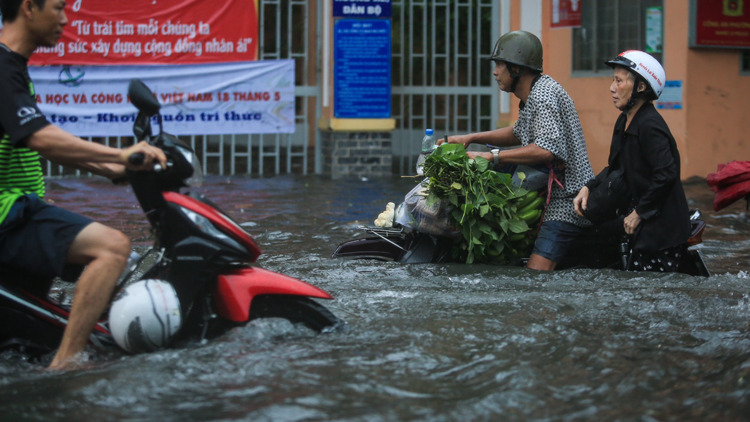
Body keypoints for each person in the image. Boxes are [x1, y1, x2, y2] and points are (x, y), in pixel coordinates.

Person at [0, 0, 167, 370]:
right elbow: (41, 138)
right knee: (113, 248)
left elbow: (34, 140)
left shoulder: (12, 67)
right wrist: (120, 154)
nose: (65, 18)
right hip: (7, 211)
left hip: (19, 207)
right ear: (29, 7)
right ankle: (67, 362)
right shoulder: (3, 66)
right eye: (58, 8)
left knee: (31, 327)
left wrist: (110, 168)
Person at [438, 30, 594, 271]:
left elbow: (545, 149)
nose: (495, 71)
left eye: (500, 64)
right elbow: (518, 132)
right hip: (546, 191)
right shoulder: (534, 95)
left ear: (517, 69)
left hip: (569, 199)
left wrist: (492, 156)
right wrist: (471, 138)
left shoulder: (543, 95)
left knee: (534, 274)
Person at [573, 50, 690, 272]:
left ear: (641, 87)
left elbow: (666, 174)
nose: (612, 87)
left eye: (619, 81)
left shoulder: (650, 126)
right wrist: (588, 187)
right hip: (638, 220)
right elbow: (615, 168)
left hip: (661, 229)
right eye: (613, 80)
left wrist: (639, 213)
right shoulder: (623, 122)